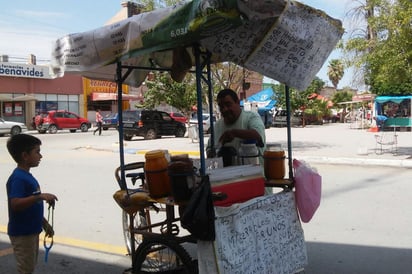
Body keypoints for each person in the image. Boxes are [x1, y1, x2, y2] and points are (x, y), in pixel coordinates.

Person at [6, 134, 58, 274]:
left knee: (29, 267)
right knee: (26, 269)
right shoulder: (18, 178)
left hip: (31, 231)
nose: (40, 156)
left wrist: (44, 223)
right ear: (25, 155)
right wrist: (40, 197)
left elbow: (31, 206)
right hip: (23, 233)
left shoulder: (26, 177)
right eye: (37, 152)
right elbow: (15, 204)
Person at [206, 88, 266, 164]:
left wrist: (234, 133)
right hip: (225, 174)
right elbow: (209, 150)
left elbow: (258, 136)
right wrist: (214, 152)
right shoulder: (217, 125)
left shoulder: (251, 117)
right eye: (221, 106)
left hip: (253, 174)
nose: (224, 109)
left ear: (237, 102)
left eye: (228, 104)